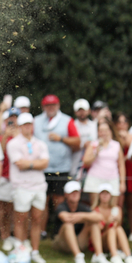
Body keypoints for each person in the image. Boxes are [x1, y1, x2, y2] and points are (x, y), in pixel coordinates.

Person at [33, 94, 80, 239]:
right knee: (42, 201)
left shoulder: (67, 120)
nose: (51, 108)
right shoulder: (36, 121)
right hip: (42, 168)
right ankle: (42, 232)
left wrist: (61, 139)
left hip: (61, 168)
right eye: (48, 105)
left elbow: (77, 142)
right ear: (43, 107)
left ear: (58, 106)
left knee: (59, 200)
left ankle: (59, 231)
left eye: (53, 105)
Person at [7, 113, 49, 263]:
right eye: (24, 124)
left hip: (39, 186)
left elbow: (45, 163)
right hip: (21, 186)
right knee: (21, 219)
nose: (27, 127)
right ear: (19, 126)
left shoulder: (40, 143)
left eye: (29, 124)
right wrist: (36, 163)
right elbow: (19, 164)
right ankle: (21, 250)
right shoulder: (13, 143)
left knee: (37, 219)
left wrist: (30, 164)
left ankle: (35, 251)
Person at [52, 181, 109, 263]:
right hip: (62, 242)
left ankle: (98, 255)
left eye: (77, 192)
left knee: (93, 223)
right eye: (72, 192)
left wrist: (81, 216)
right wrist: (85, 217)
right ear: (66, 195)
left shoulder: (83, 207)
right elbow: (65, 217)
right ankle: (78, 256)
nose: (75, 194)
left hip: (79, 240)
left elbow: (99, 217)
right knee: (68, 224)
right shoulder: (61, 206)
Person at [90, 184, 132, 263]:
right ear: (99, 195)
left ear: (111, 196)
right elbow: (97, 229)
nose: (105, 196)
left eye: (107, 193)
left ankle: (128, 256)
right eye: (102, 193)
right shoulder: (94, 210)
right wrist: (107, 222)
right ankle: (115, 256)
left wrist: (116, 221)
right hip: (101, 241)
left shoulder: (116, 209)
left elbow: (117, 225)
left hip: (114, 239)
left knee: (117, 228)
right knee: (112, 229)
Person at [82, 118, 125, 205]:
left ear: (110, 131)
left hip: (112, 179)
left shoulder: (116, 145)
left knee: (113, 208)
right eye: (101, 130)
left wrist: (122, 183)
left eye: (106, 130)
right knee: (95, 206)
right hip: (95, 179)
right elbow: (85, 161)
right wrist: (95, 153)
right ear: (98, 132)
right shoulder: (93, 144)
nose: (103, 133)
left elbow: (121, 165)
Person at [0, 107, 20, 252]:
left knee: (17, 211)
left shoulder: (23, 136)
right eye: (9, 118)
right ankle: (5, 236)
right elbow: (0, 153)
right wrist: (6, 136)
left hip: (19, 179)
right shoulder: (1, 137)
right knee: (3, 210)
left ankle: (15, 237)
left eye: (15, 118)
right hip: (5, 177)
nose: (12, 121)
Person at [113, 112, 132, 241]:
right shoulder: (113, 137)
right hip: (117, 171)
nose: (122, 125)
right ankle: (118, 229)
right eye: (119, 122)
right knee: (119, 204)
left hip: (131, 170)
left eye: (124, 122)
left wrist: (125, 137)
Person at [72, 99, 98, 178]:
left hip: (93, 165)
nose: (82, 112)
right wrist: (83, 145)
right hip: (75, 164)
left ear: (89, 111)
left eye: (84, 110)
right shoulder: (72, 126)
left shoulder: (95, 126)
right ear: (75, 112)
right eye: (79, 110)